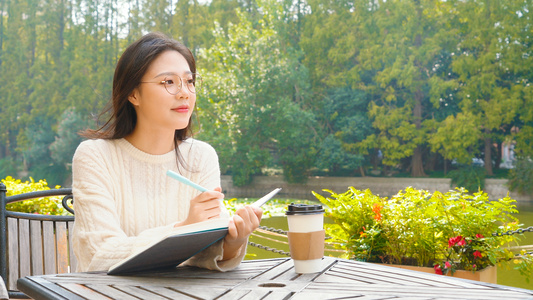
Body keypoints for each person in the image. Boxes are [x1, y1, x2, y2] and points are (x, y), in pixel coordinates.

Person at [71, 32, 262, 272]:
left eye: (189, 81)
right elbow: (98, 255)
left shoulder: (201, 156)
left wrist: (233, 240)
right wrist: (183, 229)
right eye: (168, 82)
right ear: (133, 94)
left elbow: (205, 255)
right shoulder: (95, 156)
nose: (184, 92)